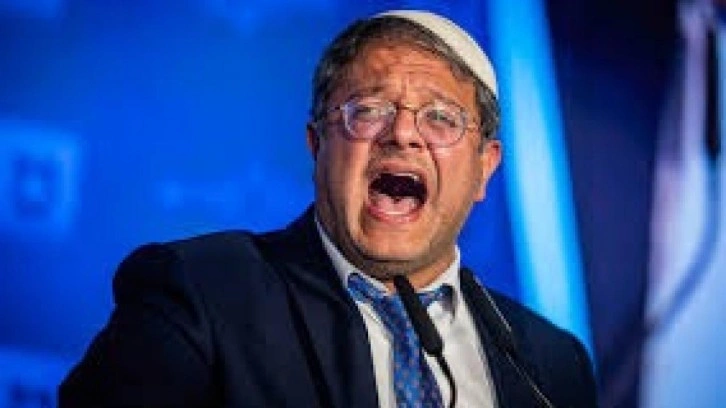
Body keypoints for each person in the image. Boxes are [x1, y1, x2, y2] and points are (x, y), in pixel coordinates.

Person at [59, 9, 597, 408]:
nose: (403, 134)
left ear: (484, 168)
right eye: (369, 110)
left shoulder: (552, 363)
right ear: (317, 146)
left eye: (440, 118)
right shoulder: (202, 293)